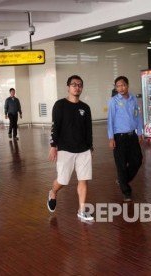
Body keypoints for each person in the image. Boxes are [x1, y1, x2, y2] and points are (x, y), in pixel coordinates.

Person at [47, 75, 94, 221]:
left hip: (83, 149)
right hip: (65, 149)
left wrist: (90, 148)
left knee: (83, 179)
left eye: (80, 85)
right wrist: (53, 146)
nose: (77, 87)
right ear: (68, 87)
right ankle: (53, 192)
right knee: (62, 180)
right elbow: (55, 126)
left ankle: (81, 210)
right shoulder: (60, 105)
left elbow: (88, 129)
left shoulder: (85, 108)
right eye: (74, 84)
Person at [107, 76, 143, 202]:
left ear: (127, 85)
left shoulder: (134, 99)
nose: (121, 88)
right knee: (121, 164)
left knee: (138, 160)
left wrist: (139, 132)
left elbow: (138, 116)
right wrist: (111, 138)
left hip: (132, 135)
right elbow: (110, 120)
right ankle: (126, 191)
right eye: (118, 86)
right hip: (119, 137)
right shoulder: (113, 101)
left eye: (123, 85)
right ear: (116, 88)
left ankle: (122, 179)